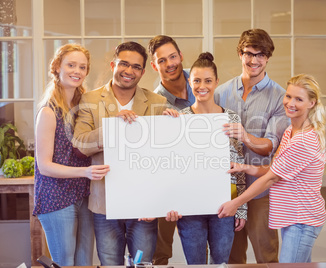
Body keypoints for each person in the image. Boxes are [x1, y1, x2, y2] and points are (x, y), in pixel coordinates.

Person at [72, 41, 167, 266]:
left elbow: (163, 156)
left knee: (143, 264)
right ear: (114, 64)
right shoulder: (89, 99)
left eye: (136, 67)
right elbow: (80, 143)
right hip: (105, 204)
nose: (129, 71)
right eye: (124, 64)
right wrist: (112, 129)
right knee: (110, 264)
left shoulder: (158, 102)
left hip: (144, 204)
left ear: (143, 72)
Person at [218, 73, 326, 263]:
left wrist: (235, 203)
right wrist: (244, 167)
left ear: (311, 103)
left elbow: (271, 178)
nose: (290, 103)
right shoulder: (290, 132)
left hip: (301, 220)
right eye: (289, 96)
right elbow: (273, 169)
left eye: (299, 99)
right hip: (293, 218)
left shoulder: (303, 140)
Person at [163, 52, 247, 264]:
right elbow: (172, 168)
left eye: (208, 81)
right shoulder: (180, 119)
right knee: (196, 265)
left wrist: (240, 206)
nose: (203, 86)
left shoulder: (231, 118)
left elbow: (238, 166)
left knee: (221, 264)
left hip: (223, 206)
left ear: (216, 82)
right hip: (190, 208)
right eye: (197, 80)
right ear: (190, 82)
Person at [214, 28, 289, 263]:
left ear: (267, 58)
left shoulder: (279, 97)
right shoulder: (220, 92)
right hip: (226, 190)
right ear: (240, 53)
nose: (253, 60)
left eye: (260, 55)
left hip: (260, 192)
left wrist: (245, 136)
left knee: (266, 257)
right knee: (231, 258)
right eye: (249, 53)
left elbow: (269, 147)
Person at [33, 43, 110, 266]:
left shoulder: (84, 107)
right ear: (57, 67)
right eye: (71, 65)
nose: (77, 71)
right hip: (55, 197)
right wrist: (85, 171)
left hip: (84, 194)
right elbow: (45, 166)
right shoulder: (48, 111)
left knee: (84, 262)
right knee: (65, 263)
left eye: (82, 67)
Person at [148, 35, 195, 265]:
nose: (170, 64)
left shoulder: (203, 84)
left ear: (181, 56)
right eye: (162, 60)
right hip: (167, 184)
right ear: (154, 66)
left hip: (199, 181)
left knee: (200, 247)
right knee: (160, 251)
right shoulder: (152, 103)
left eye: (173, 56)